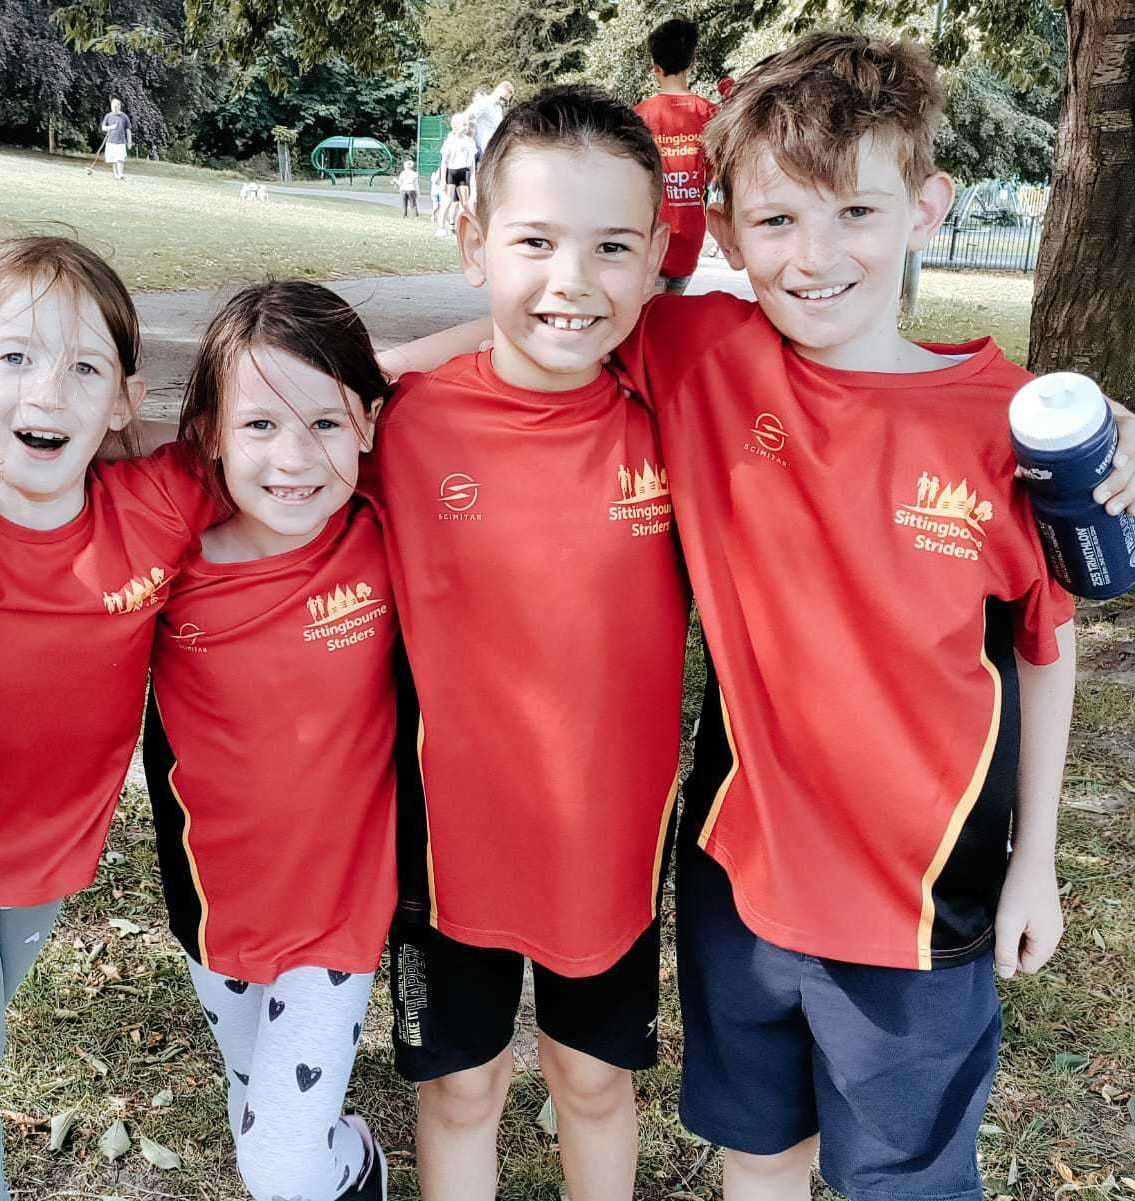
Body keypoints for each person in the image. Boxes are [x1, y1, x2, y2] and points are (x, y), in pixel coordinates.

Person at [616, 35, 1082, 1201]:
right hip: (741, 877)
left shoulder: (1011, 427)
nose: (815, 257)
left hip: (919, 905)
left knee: (905, 1181)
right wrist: (357, 380)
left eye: (855, 212)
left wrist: (1037, 865)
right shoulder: (701, 358)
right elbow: (539, 329)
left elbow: (1045, 649)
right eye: (774, 223)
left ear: (926, 208)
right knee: (758, 1150)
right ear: (725, 234)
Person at [0, 236, 219, 1201]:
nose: (48, 392)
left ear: (125, 400)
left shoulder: (157, 502)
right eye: (15, 356)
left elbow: (325, 403)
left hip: (61, 846)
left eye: (85, 365)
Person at [371, 88, 685, 1201]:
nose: (572, 281)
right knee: (461, 1091)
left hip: (608, 844)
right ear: (473, 245)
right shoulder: (393, 424)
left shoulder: (678, 408)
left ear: (655, 258)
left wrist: (1083, 416)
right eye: (536, 242)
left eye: (610, 247)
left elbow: (871, 390)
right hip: (446, 848)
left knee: (591, 1083)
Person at [143, 281, 396, 1201]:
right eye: (259, 426)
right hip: (214, 906)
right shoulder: (165, 556)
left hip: (338, 908)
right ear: (208, 430)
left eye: (324, 424)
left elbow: (455, 375)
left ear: (367, 423)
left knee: (279, 1161)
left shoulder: (378, 523)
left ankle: (354, 1167)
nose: (294, 459)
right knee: (257, 1104)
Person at [634, 19, 718, 293]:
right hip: (691, 233)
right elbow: (714, 172)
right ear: (690, 63)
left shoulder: (639, 116)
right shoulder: (708, 113)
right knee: (673, 317)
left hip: (651, 232)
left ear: (655, 68)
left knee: (647, 319)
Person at [436, 114, 477, 238]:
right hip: (451, 173)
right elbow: (444, 162)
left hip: (463, 173)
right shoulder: (450, 142)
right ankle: (441, 227)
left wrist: (473, 180)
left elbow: (472, 164)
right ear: (455, 126)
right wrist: (443, 179)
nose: (466, 127)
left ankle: (463, 229)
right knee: (447, 201)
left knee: (465, 203)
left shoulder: (470, 142)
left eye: (466, 125)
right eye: (463, 125)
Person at [100, 97, 130, 182]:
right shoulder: (108, 116)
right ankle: (116, 175)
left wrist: (130, 141)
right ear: (111, 106)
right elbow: (103, 128)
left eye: (117, 106)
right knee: (113, 159)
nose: (115, 108)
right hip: (111, 141)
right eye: (113, 106)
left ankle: (120, 174)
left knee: (121, 158)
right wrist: (111, 127)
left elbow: (128, 130)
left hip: (121, 141)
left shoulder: (124, 116)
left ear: (120, 106)